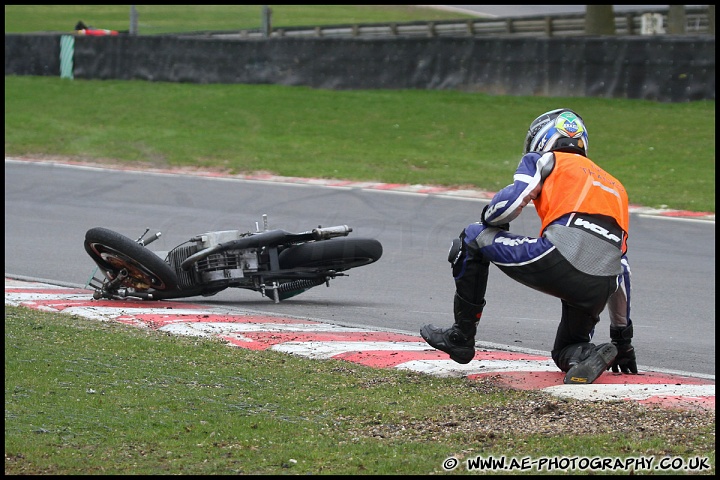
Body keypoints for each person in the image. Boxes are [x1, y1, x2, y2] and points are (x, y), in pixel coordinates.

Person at [421, 108, 637, 385]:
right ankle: (585, 354)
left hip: (557, 258)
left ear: (541, 137)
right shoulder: (616, 186)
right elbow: (623, 269)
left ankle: (461, 338)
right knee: (565, 350)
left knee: (473, 237)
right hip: (600, 283)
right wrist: (622, 339)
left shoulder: (545, 159)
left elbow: (509, 206)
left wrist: (489, 218)